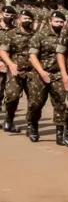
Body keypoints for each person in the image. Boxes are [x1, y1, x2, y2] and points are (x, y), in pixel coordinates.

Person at [30, 11, 68, 146]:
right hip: (41, 73)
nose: (59, 24)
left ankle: (60, 133)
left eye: (61, 22)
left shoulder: (67, 36)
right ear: (50, 21)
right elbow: (33, 55)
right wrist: (41, 71)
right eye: (56, 21)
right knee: (36, 103)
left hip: (58, 74)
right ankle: (33, 125)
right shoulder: (40, 35)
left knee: (61, 104)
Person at [0, 9, 39, 139]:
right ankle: (9, 118)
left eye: (29, 19)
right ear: (19, 20)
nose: (27, 21)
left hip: (32, 71)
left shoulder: (36, 35)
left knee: (34, 100)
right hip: (15, 70)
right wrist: (10, 64)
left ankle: (31, 125)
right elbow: (3, 51)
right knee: (12, 96)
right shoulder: (11, 34)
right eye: (25, 18)